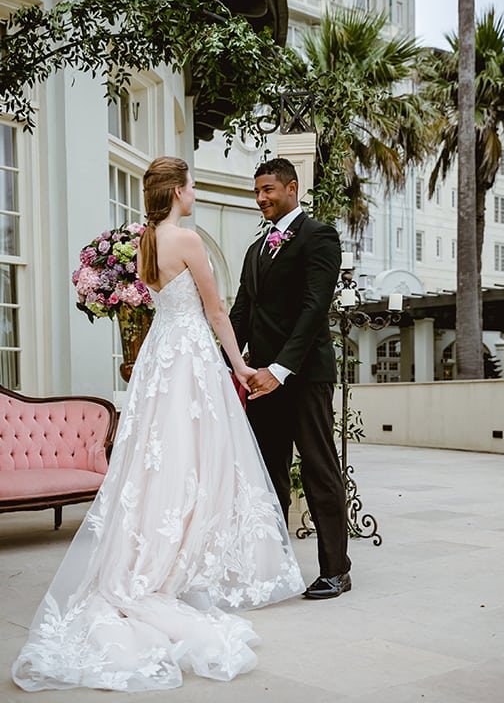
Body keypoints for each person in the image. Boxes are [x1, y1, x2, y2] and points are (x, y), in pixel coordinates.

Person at [12, 156, 305, 693]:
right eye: (190, 186)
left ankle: (159, 552)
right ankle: (186, 557)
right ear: (175, 191)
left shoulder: (146, 243)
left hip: (158, 358)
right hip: (190, 356)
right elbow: (218, 312)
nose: (193, 194)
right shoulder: (186, 239)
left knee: (158, 459)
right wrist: (240, 367)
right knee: (198, 455)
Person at [230, 157, 351, 600]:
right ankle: (275, 566)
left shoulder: (319, 237)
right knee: (270, 475)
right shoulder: (254, 249)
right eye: (257, 191)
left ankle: (336, 568)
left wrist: (281, 369)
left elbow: (314, 308)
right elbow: (243, 312)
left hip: (302, 376)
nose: (261, 198)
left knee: (319, 470)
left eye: (269, 190)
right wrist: (224, 362)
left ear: (291, 188)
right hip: (261, 380)